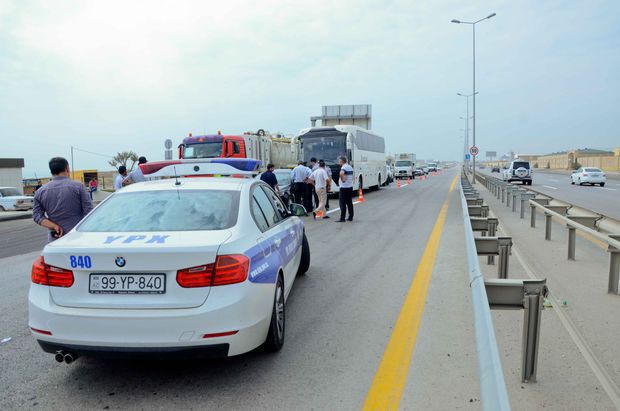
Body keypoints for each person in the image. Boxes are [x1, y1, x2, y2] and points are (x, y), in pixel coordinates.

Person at [33, 157, 93, 242]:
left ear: (51, 170)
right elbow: (89, 212)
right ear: (67, 168)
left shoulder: (40, 192)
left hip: (55, 238)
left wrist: (54, 226)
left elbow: (37, 216)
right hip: (78, 237)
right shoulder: (79, 187)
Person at [336, 155, 354, 223]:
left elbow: (341, 173)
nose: (338, 163)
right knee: (349, 202)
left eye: (339, 161)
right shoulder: (350, 167)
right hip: (350, 187)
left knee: (342, 203)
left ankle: (342, 218)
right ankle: (350, 217)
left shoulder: (344, 167)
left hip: (343, 187)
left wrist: (342, 179)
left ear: (342, 161)